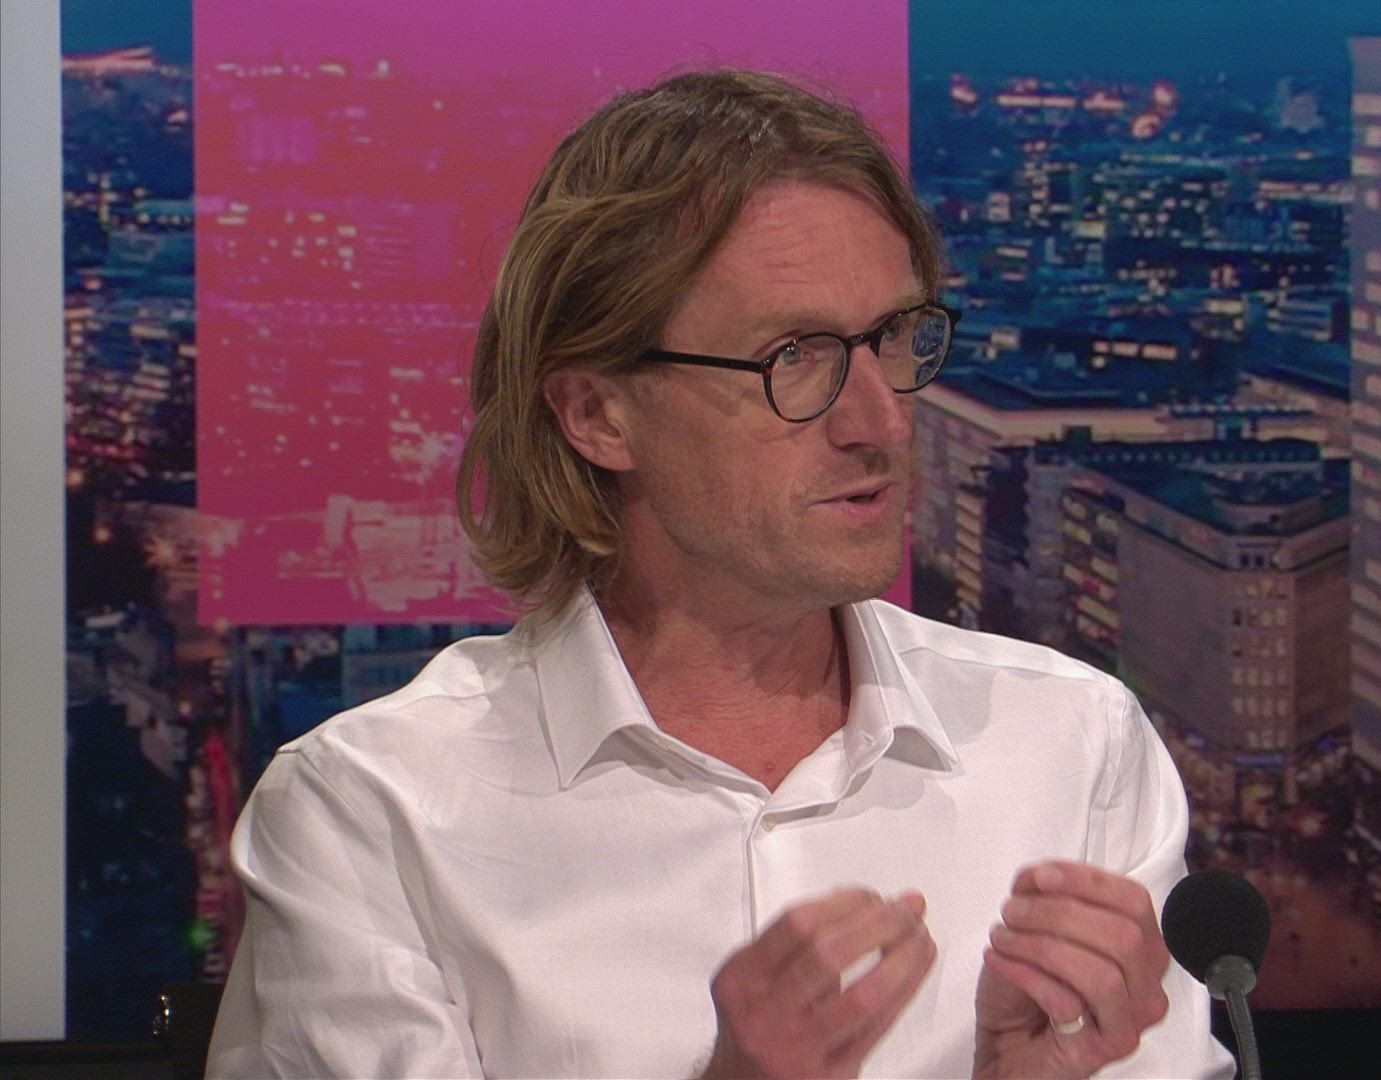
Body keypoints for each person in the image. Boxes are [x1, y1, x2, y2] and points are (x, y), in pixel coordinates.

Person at [207, 69, 1234, 1079]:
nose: (880, 421)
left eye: (892, 340)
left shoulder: (1073, 746)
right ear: (598, 413)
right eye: (794, 356)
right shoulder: (368, 819)